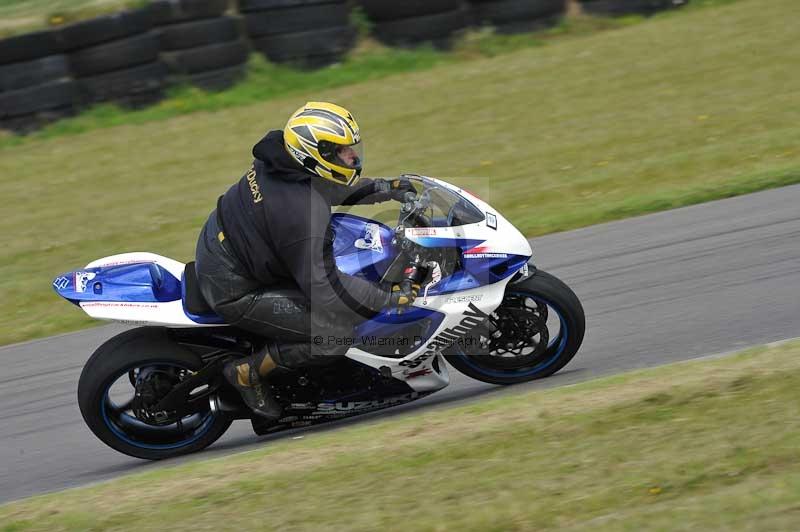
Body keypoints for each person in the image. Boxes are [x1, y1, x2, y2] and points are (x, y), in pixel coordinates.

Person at [194, 102, 419, 420]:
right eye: (342, 152)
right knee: (336, 333)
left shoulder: (283, 158)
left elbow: (325, 188)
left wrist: (384, 188)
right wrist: (390, 297)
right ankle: (247, 372)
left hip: (227, 243)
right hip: (234, 287)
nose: (353, 157)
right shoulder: (301, 215)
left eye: (351, 149)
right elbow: (327, 290)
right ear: (317, 154)